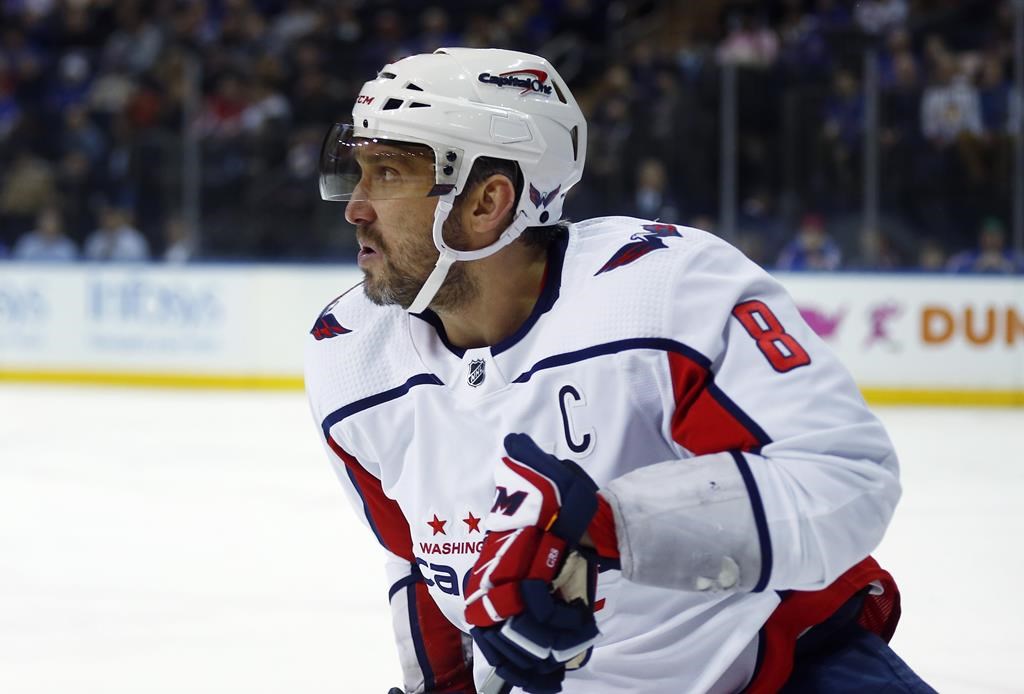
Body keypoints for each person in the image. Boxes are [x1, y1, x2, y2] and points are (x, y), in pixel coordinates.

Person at [304, 48, 934, 694]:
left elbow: (844, 476)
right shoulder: (351, 354)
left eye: (387, 174)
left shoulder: (662, 293)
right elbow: (415, 554)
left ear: (487, 202)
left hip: (775, 670)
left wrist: (604, 529)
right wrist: (440, 686)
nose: (356, 207)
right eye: (360, 172)